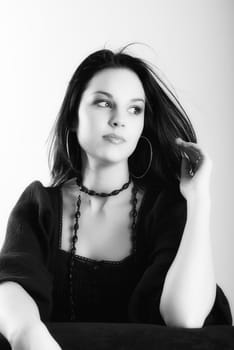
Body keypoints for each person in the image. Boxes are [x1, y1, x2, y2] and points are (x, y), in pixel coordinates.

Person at [0, 43, 232, 350]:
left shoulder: (165, 206)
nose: (119, 119)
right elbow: (11, 286)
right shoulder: (40, 205)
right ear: (73, 116)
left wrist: (200, 200)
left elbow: (186, 319)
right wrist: (28, 333)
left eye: (134, 109)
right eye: (103, 103)